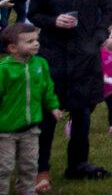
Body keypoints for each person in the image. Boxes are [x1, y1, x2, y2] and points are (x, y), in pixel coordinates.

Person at [28, 0, 112, 187]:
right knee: (47, 115)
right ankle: (41, 168)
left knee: (82, 112)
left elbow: (108, 10)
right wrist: (53, 21)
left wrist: (98, 36)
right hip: (53, 53)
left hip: (84, 54)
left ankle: (77, 163)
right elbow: (34, 13)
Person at [0, 23, 61, 195]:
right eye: (29, 41)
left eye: (36, 40)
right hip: (5, 131)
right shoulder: (4, 71)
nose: (36, 44)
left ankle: (27, 190)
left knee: (30, 164)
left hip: (31, 128)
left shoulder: (40, 64)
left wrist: (53, 106)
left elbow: (47, 88)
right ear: (12, 48)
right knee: (4, 167)